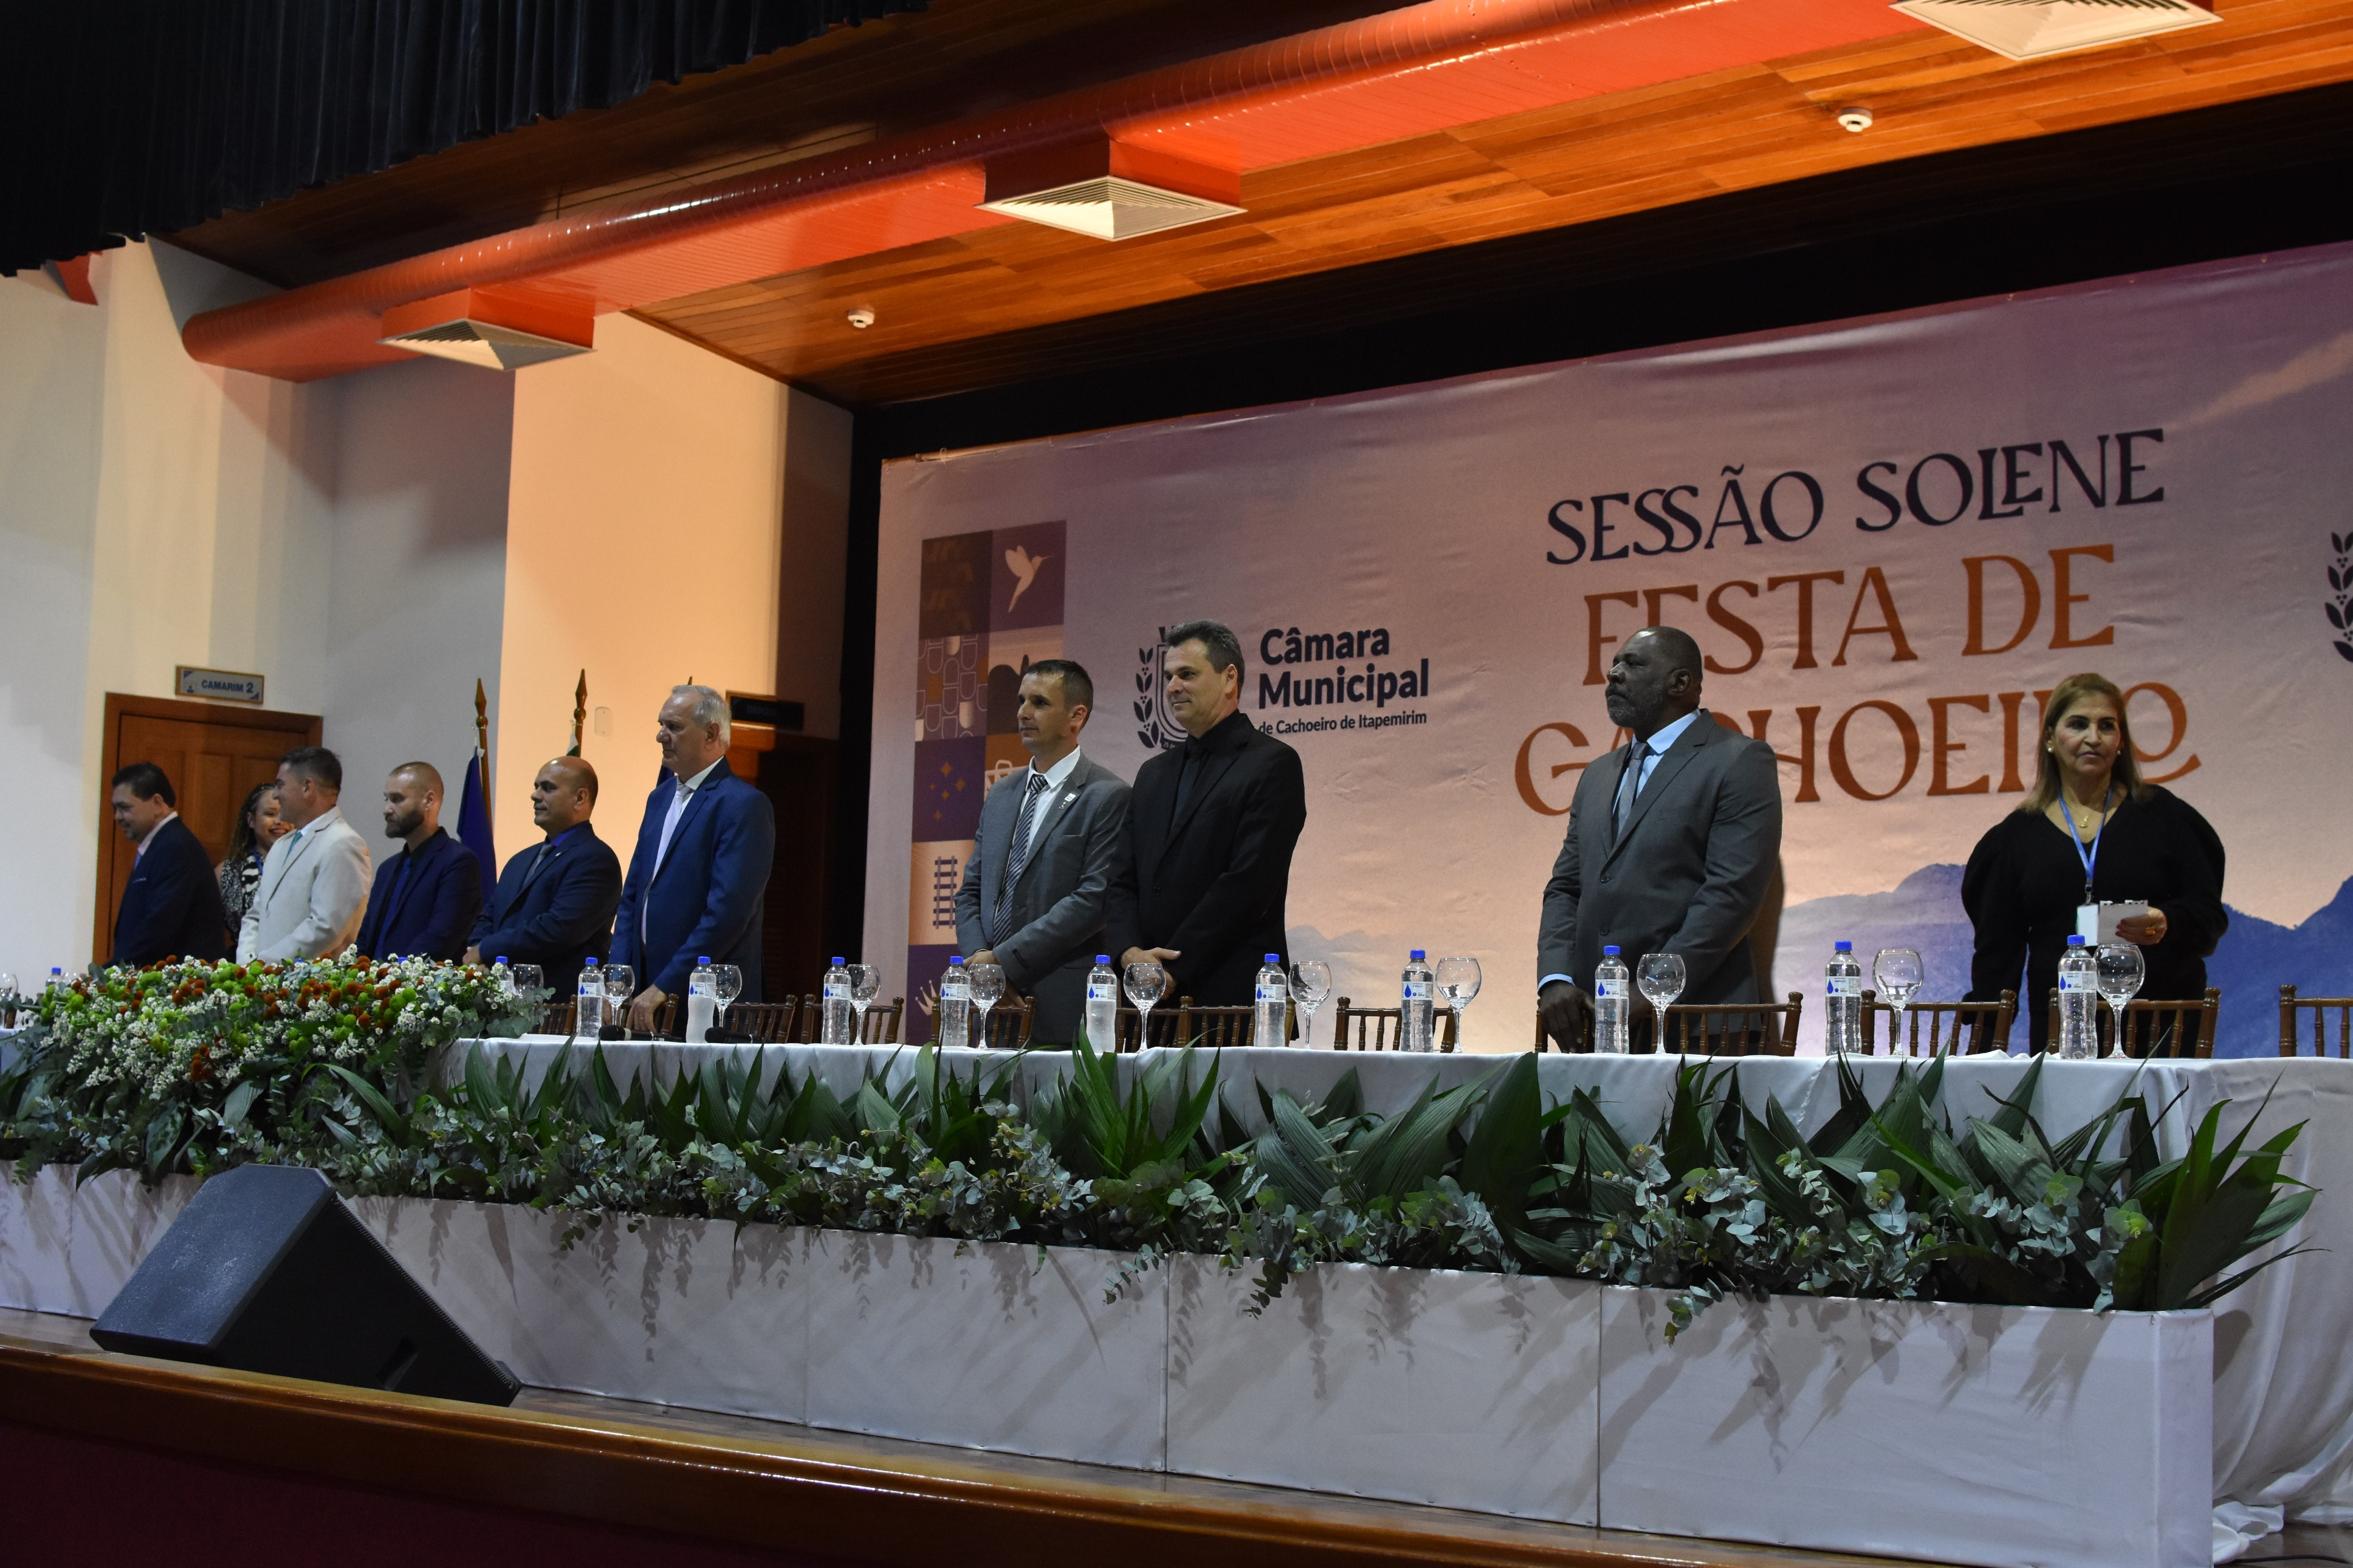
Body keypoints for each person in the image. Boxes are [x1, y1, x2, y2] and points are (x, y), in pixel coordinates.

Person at [1536, 626, 1782, 1050]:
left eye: (1632, 664)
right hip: (1592, 1022)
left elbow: (1731, 895)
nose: (1614, 673)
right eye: (1614, 663)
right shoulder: (1597, 774)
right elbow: (1566, 888)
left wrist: (1654, 988)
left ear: (1680, 683)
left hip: (1697, 1025)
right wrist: (1556, 978)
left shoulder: (1739, 760)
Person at [1962, 671, 2225, 1053]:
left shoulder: (2166, 818)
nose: (2094, 737)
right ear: (2050, 738)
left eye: (2107, 726)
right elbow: (1997, 954)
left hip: (2160, 1025)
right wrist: (1984, 1046)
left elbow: (2210, 917)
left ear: (2121, 742)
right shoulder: (2015, 839)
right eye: (2078, 724)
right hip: (2064, 1030)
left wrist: (2167, 920)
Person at [1111, 620, 1306, 1008]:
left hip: (1229, 994)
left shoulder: (1273, 763)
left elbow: (1249, 884)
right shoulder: (1152, 773)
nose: (1172, 687)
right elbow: (1121, 879)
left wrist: (1174, 968)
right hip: (1145, 993)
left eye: (1187, 674)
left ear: (1229, 678)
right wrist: (1129, 953)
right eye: (1168, 677)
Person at [954, 660, 1132, 1046]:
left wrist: (1002, 962)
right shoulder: (1001, 794)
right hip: (987, 998)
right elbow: (971, 892)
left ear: (1076, 716)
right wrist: (982, 963)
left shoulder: (1107, 795)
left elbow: (1093, 900)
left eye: (1039, 702)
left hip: (1060, 997)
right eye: (1021, 700)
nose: (1023, 712)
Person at [612, 685, 776, 1029]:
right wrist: (617, 980)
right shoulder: (659, 799)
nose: (661, 736)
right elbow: (633, 898)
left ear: (711, 733)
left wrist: (665, 986)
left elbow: (727, 913)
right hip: (642, 993)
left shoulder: (743, 804)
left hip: (707, 1000)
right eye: (661, 725)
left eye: (673, 727)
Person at [465, 756, 624, 993]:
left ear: (580, 798)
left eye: (548, 788)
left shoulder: (596, 859)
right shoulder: (520, 859)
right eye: (536, 787)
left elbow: (558, 929)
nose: (535, 795)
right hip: (502, 998)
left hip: (556, 1003)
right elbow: (490, 915)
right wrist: (476, 952)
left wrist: (486, 950)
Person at [238, 746, 373, 962]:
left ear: (307, 788)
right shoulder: (282, 845)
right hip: (263, 975)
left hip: (305, 980)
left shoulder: (343, 844)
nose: (275, 794)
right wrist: (247, 964)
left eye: (281, 785)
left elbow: (326, 927)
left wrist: (264, 964)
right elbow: (256, 914)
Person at [355, 762, 484, 962]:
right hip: (373, 980)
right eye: (387, 799)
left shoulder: (458, 862)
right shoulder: (387, 869)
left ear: (428, 801)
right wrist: (357, 970)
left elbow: (441, 938)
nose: (387, 810)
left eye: (397, 799)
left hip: (418, 980)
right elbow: (366, 936)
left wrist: (393, 974)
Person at [108, 762, 230, 967]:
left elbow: (159, 928)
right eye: (116, 809)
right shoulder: (163, 845)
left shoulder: (176, 848)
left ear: (157, 802)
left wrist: (109, 973)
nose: (117, 817)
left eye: (125, 808)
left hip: (179, 980)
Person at [216, 781, 289, 947]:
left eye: (284, 813)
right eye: (270, 814)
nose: (279, 821)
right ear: (251, 820)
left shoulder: (307, 864)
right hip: (242, 957)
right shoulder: (227, 872)